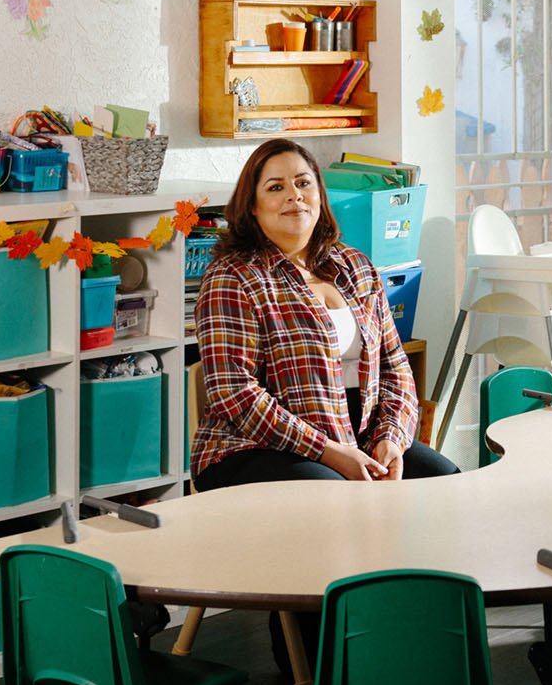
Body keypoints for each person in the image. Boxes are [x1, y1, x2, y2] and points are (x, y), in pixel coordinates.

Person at [192, 138, 458, 492]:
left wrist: (391, 438)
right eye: (276, 187)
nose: (294, 195)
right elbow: (235, 394)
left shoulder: (356, 266)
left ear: (320, 193)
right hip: (254, 448)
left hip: (358, 440)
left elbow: (396, 368)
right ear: (252, 206)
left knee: (448, 486)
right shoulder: (233, 278)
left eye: (303, 183)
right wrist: (330, 452)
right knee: (342, 501)